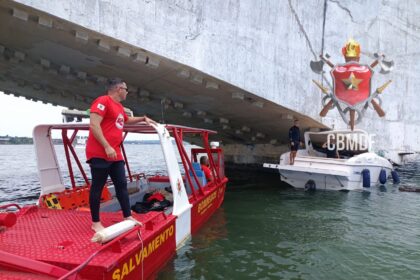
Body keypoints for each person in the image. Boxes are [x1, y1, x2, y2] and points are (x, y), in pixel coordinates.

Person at [86, 78, 157, 232]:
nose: (127, 92)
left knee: (121, 185)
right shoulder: (103, 100)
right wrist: (106, 146)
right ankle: (95, 223)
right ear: (119, 89)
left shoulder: (119, 107)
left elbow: (126, 120)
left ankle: (127, 216)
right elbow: (94, 124)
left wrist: (143, 119)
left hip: (115, 154)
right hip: (100, 152)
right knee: (97, 187)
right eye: (126, 89)